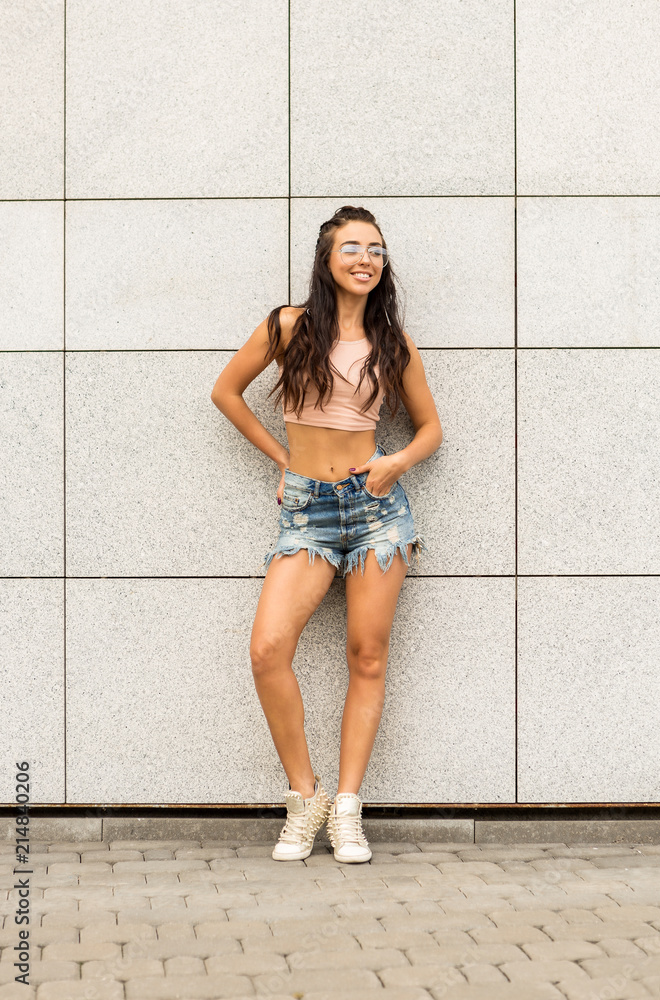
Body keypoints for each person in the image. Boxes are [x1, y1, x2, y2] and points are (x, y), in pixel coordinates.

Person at [210, 205, 442, 864]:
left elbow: (430, 429)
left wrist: (395, 461)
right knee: (266, 650)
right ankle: (302, 797)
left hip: (376, 514)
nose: (365, 258)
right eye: (352, 248)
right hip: (307, 512)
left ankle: (345, 809)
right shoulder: (289, 326)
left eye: (375, 249)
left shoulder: (392, 343)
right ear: (327, 258)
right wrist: (283, 461)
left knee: (366, 656)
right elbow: (226, 392)